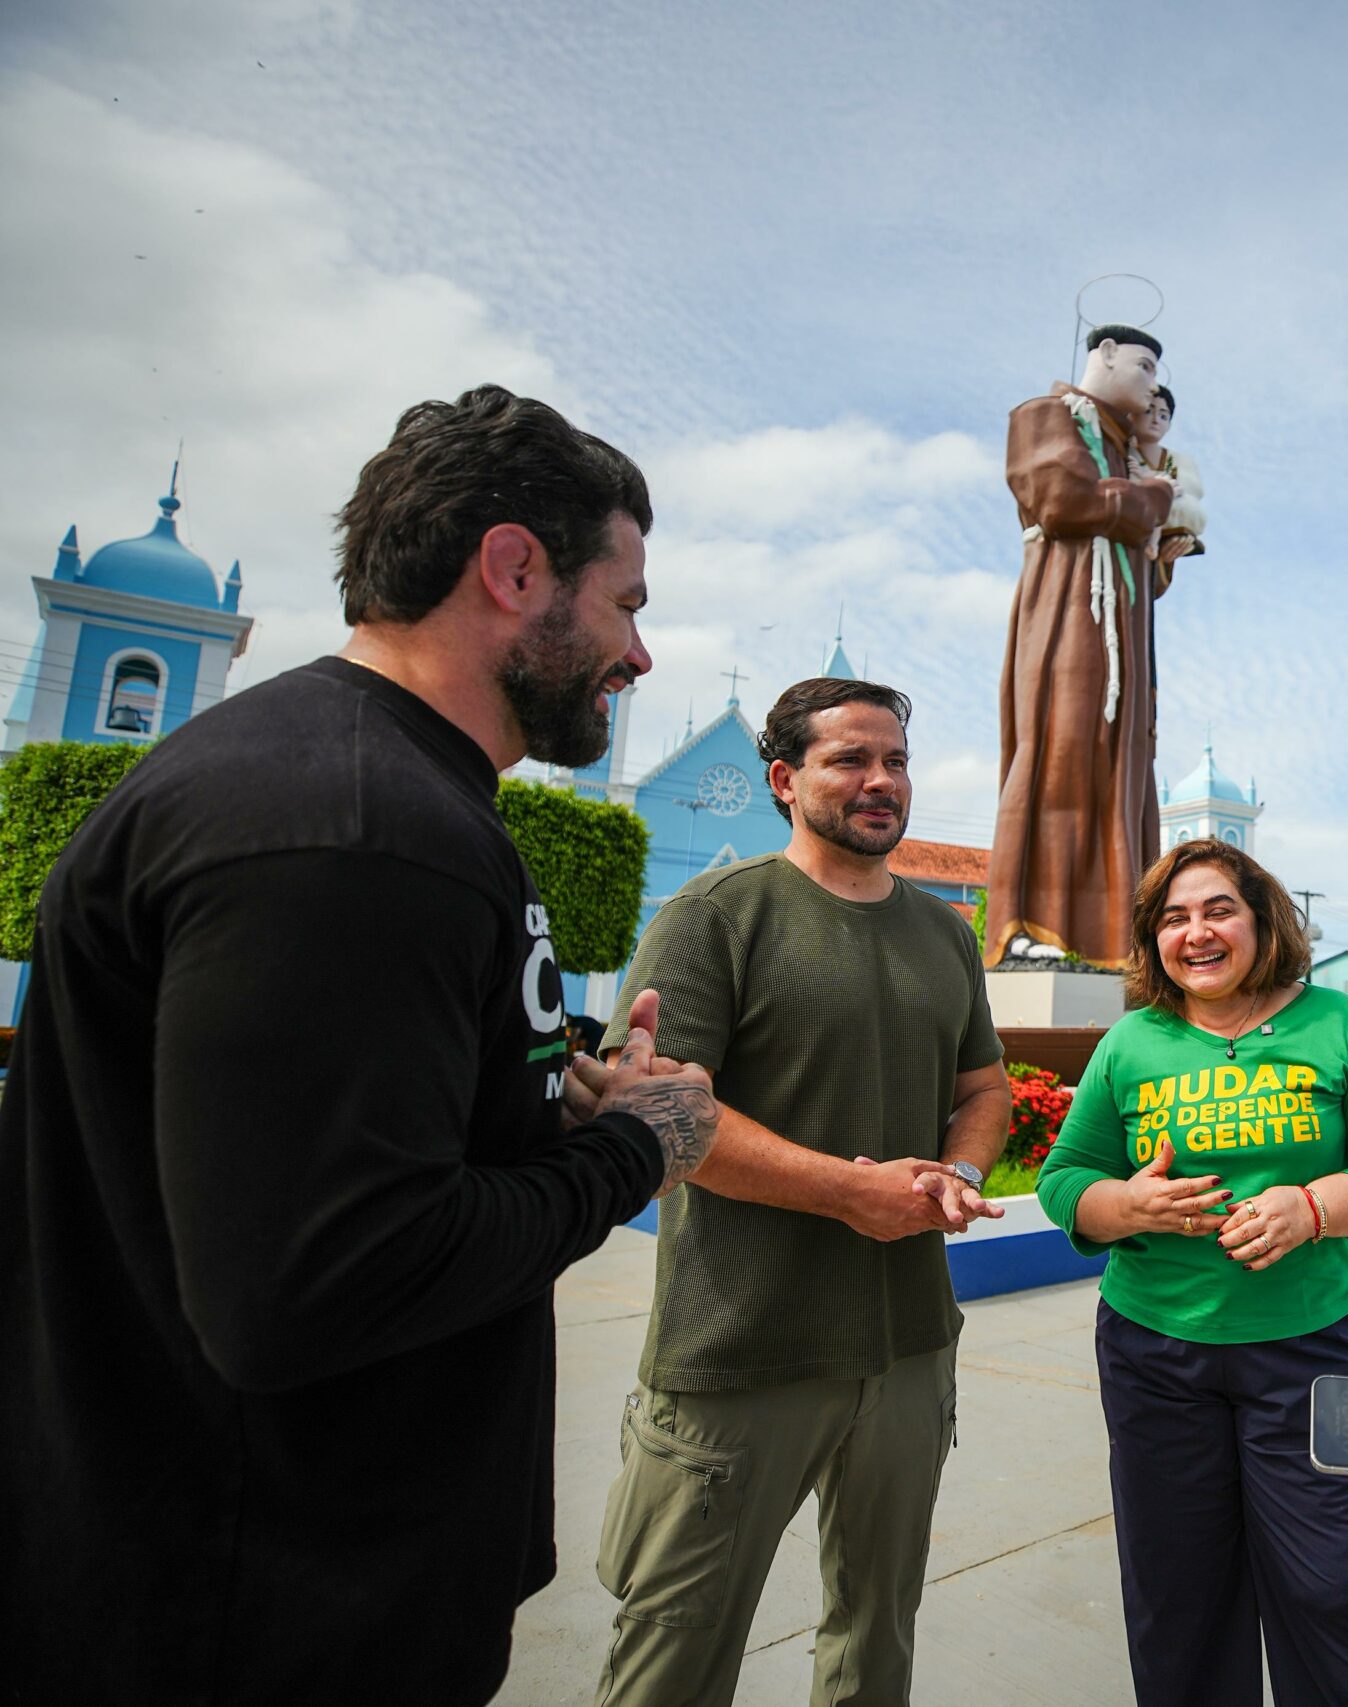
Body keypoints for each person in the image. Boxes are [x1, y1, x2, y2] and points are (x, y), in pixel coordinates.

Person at [0, 385, 718, 1706]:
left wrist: (539, 1115)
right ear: (514, 569)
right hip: (264, 1615)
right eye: (626, 603)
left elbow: (317, 1155)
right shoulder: (355, 829)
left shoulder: (356, 792)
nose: (638, 653)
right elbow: (322, 1282)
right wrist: (635, 1148)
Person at [589, 674, 1008, 1706]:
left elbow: (984, 1085)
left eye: (896, 761)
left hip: (908, 1346)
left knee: (876, 1646)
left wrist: (954, 1173)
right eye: (850, 760)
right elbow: (653, 1110)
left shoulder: (946, 934)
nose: (881, 781)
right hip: (740, 1352)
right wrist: (845, 1193)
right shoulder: (714, 918)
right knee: (672, 1658)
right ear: (784, 779)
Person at [1034, 838, 1348, 1706]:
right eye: (1175, 918)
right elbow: (1063, 1180)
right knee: (1178, 1592)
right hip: (1152, 1357)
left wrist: (1316, 1206)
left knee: (1344, 1579)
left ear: (1261, 919)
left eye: (1219, 908)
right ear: (1154, 941)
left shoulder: (1336, 1023)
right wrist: (1128, 1205)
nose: (1198, 932)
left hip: (1317, 1348)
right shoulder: (1131, 1043)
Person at [984, 323, 1177, 969]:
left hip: (1121, 635)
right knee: (1061, 755)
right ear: (1107, 355)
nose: (1152, 384)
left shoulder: (1124, 448)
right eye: (1145, 367)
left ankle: (1110, 938)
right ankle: (1031, 928)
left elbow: (1133, 550)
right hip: (1068, 616)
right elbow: (1061, 498)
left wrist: (1160, 542)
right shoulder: (1046, 416)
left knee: (1119, 775)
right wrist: (1149, 499)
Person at [1133, 382, 1208, 567]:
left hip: (1170, 512)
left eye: (1163, 415)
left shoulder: (1181, 461)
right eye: (1148, 411)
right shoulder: (1123, 453)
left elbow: (1191, 497)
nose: (1155, 420)